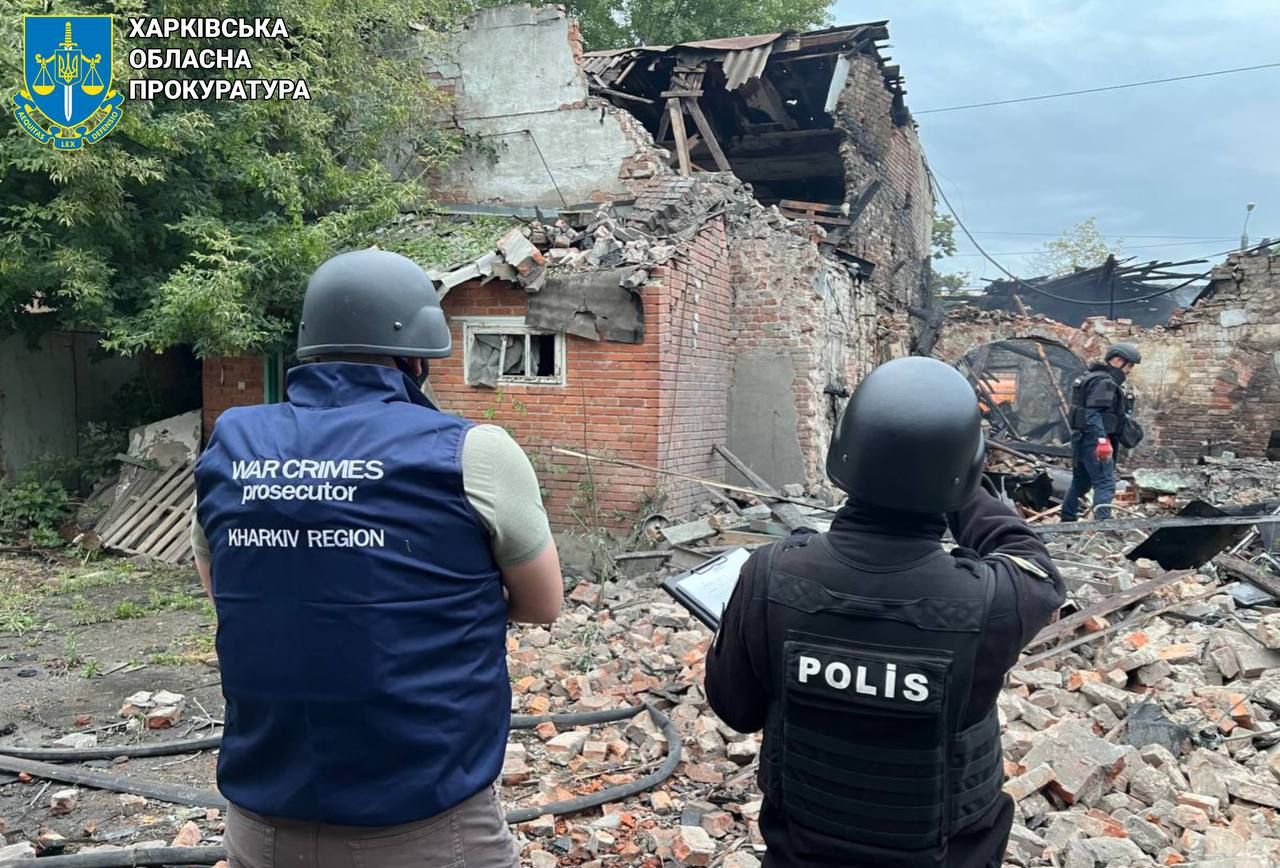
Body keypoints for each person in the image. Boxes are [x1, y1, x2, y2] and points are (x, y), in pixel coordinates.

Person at [190, 248, 564, 868]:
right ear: (417, 358)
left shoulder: (231, 445)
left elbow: (224, 589)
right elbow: (544, 603)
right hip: (427, 827)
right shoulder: (471, 451)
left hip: (261, 828)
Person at [703, 356, 1065, 868]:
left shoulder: (770, 573)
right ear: (966, 470)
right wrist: (954, 484)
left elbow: (735, 710)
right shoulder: (994, 601)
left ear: (844, 451)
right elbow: (1034, 563)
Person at [1061, 343, 1142, 522]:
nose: (1129, 370)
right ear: (1118, 360)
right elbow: (1093, 413)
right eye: (1129, 365)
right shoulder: (1104, 383)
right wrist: (1102, 441)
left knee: (1080, 483)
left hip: (1082, 438)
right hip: (1094, 441)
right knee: (1105, 483)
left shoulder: (1091, 377)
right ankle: (1102, 526)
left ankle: (1066, 523)